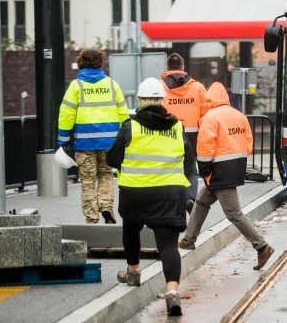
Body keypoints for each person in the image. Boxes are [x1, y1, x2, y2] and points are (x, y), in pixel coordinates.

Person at [107, 77, 195, 317]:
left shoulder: (130, 126)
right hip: (169, 194)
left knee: (131, 229)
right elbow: (188, 161)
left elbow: (112, 159)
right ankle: (172, 293)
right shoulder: (177, 127)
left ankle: (133, 272)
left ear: (139, 100)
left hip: (135, 193)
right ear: (163, 101)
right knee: (167, 245)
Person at [179, 82, 275, 271]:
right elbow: (248, 145)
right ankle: (188, 239)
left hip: (218, 171)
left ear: (210, 98)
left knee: (234, 213)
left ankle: (262, 246)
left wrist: (205, 172)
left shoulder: (210, 117)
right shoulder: (239, 116)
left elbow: (205, 149)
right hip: (235, 168)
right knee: (201, 201)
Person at [57, 48, 130, 224]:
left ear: (81, 62)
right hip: (109, 143)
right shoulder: (112, 85)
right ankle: (106, 206)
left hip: (84, 143)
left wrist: (63, 140)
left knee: (88, 180)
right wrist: (125, 139)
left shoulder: (76, 86)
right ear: (100, 62)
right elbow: (123, 114)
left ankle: (91, 218)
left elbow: (66, 115)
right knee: (105, 175)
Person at [160, 53, 208, 212]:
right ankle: (189, 198)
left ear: (167, 68)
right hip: (192, 137)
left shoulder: (159, 87)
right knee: (190, 171)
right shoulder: (198, 87)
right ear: (183, 67)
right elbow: (204, 115)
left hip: (166, 136)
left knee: (168, 170)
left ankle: (170, 202)